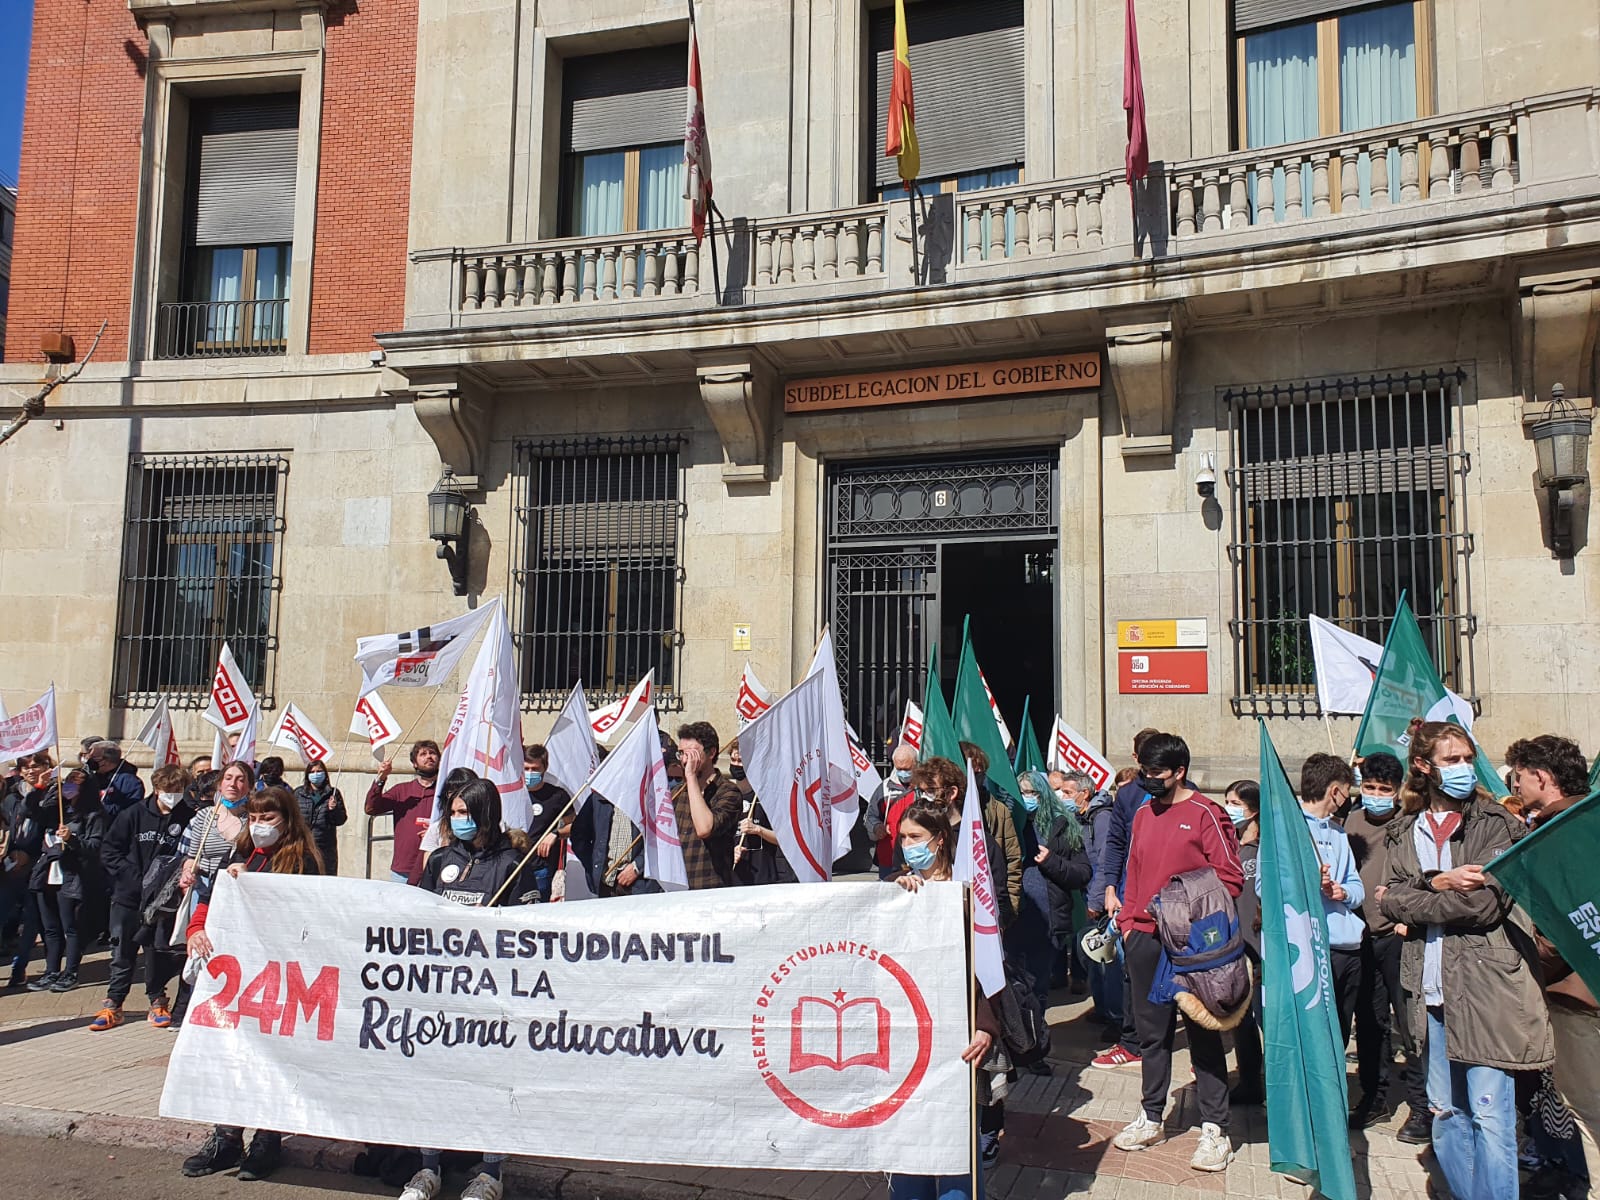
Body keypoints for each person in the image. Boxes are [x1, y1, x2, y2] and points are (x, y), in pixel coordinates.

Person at [1380, 721, 1553, 1200]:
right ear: (1423, 765)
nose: (1462, 768)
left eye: (1466, 758)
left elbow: (1482, 905)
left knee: (1489, 1110)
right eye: (1451, 759)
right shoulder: (1403, 829)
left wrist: (1409, 898)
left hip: (1483, 987)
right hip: (1426, 988)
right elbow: (1385, 901)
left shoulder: (1495, 823)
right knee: (1444, 1111)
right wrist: (1436, 883)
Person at [1111, 733, 1241, 1173]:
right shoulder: (1144, 813)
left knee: (1205, 1035)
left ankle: (1214, 1129)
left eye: (1156, 773)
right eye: (1144, 772)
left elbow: (1230, 878)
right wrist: (1130, 924)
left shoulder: (1208, 813)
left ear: (1179, 771)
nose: (1148, 781)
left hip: (1192, 945)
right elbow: (1134, 870)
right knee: (1152, 1036)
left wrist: (1183, 909)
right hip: (1144, 939)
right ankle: (1151, 1116)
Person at [180, 785, 323, 1181]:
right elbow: (208, 900)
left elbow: (306, 917)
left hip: (277, 979)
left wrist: (257, 886)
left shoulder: (304, 862)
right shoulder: (240, 854)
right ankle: (225, 1139)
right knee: (229, 1056)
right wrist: (196, 930)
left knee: (269, 1059)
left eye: (268, 818)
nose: (259, 826)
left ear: (287, 819)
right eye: (254, 818)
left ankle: (266, 1140)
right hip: (237, 980)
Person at [888, 796, 1002, 1200]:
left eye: (915, 836)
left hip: (957, 1039)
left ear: (938, 840)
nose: (907, 845)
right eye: (902, 838)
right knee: (908, 1142)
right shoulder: (897, 890)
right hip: (907, 1039)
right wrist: (898, 900)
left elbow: (987, 969)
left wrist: (986, 1026)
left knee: (956, 1146)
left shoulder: (969, 893)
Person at [1504, 734, 1599, 1199]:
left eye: (1518, 777)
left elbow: (1557, 936)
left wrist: (1508, 966)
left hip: (1578, 1000)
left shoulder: (1552, 837)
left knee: (1590, 1109)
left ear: (1542, 777)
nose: (1515, 785)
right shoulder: (1592, 820)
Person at [1342, 750, 1430, 1140]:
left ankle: (1423, 1105)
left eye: (1384, 789)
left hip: (1398, 936)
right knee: (1371, 1022)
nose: (1376, 794)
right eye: (1370, 787)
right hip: (1361, 936)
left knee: (1410, 1023)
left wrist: (1405, 918)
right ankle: (1374, 1097)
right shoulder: (1351, 820)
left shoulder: (1409, 826)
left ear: (1397, 792)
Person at [90, 764, 197, 1030]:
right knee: (122, 952)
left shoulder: (188, 817)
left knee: (156, 953)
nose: (173, 795)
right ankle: (114, 1002)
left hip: (163, 901)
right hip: (128, 897)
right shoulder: (133, 815)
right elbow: (110, 851)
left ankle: (157, 998)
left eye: (178, 790)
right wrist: (135, 878)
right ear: (157, 789)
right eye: (168, 790)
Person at [1089, 736, 1162, 1074]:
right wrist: (1108, 888)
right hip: (1130, 900)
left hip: (1170, 903)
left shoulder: (1190, 796)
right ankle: (1133, 1041)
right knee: (1129, 970)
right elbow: (1115, 844)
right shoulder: (1129, 795)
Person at [1294, 755, 1366, 1053]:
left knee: (1338, 1032)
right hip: (1311, 949)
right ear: (1335, 790)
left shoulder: (1338, 833)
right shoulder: (1288, 827)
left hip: (1347, 948)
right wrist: (1312, 883)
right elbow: (1264, 886)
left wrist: (1342, 893)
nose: (1346, 799)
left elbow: (1356, 887)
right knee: (1312, 1037)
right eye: (1347, 791)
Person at [1012, 770, 1091, 1020]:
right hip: (1014, 919)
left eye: (1031, 792)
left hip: (1048, 921)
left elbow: (1082, 872)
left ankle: (1036, 1046)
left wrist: (1051, 861)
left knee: (1038, 989)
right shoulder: (1011, 822)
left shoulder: (1063, 825)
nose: (1027, 798)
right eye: (1021, 792)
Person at [27, 767, 104, 993]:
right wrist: (38, 788)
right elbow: (32, 812)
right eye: (67, 784)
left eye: (75, 785)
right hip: (46, 874)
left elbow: (94, 847)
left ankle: (70, 972)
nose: (69, 789)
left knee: (71, 928)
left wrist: (72, 840)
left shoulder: (94, 815)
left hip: (72, 875)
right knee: (50, 928)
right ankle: (51, 971)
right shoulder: (57, 809)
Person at [1222, 781, 1264, 1106]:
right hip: (1235, 946)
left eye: (1236, 802)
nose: (1230, 807)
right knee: (1242, 1019)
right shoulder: (1227, 843)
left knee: (1265, 1018)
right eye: (1227, 801)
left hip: (1262, 946)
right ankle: (1249, 1080)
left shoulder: (1268, 848)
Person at [673, 722, 743, 890]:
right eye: (681, 754)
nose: (685, 761)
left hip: (709, 887)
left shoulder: (728, 792)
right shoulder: (676, 794)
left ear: (711, 753)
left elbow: (705, 828)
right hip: (676, 889)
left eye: (691, 754)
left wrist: (690, 776)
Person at [960, 743, 1023, 927]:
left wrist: (1008, 910)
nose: (978, 771)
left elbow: (1013, 861)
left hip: (989, 908)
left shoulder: (999, 811)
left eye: (980, 768)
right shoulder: (945, 812)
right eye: (972, 766)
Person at [1076, 771, 1120, 1030]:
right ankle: (1102, 1007)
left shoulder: (1101, 818)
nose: (1065, 798)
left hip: (1103, 899)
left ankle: (1114, 1017)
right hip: (1093, 894)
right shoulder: (1085, 817)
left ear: (1086, 793)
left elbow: (1104, 862)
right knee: (1093, 953)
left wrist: (1096, 899)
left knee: (1107, 959)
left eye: (1070, 793)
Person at [1, 753, 49, 988]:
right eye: (26, 767)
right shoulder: (11, 797)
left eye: (36, 765)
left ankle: (19, 969)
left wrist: (29, 855)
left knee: (31, 922)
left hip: (37, 867)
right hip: (10, 869)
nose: (31, 770)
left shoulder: (53, 795)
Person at [366, 740, 441, 885]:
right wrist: (381, 778)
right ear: (414, 763)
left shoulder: (446, 792)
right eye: (423, 754)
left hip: (434, 867)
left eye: (432, 753)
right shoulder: (402, 791)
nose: (429, 757)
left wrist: (437, 833)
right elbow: (371, 808)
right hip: (403, 870)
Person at [729, 738, 798, 885]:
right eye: (733, 760)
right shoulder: (727, 795)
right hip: (735, 876)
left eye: (740, 761)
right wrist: (729, 853)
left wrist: (758, 829)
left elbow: (785, 839)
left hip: (763, 875)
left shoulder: (766, 797)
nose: (736, 765)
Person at [521, 743, 572, 901]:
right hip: (512, 866)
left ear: (544, 768)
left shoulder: (557, 796)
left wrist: (555, 834)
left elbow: (573, 825)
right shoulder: (512, 793)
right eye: (526, 768)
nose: (530, 773)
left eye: (535, 769)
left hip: (540, 869)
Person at [866, 743, 918, 877]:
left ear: (916, 764)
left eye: (907, 768)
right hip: (889, 856)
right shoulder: (884, 788)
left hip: (917, 855)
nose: (903, 772)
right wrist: (877, 828)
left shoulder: (924, 788)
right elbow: (870, 816)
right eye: (899, 768)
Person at [293, 758, 347, 877]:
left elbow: (340, 820)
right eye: (312, 772)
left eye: (319, 771)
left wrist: (333, 809)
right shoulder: (298, 793)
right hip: (303, 846)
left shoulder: (333, 793)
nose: (316, 774)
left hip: (325, 848)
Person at [81, 740, 145, 820]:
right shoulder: (93, 777)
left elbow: (129, 810)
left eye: (94, 758)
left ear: (107, 760)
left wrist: (98, 808)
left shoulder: (130, 782)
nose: (89, 761)